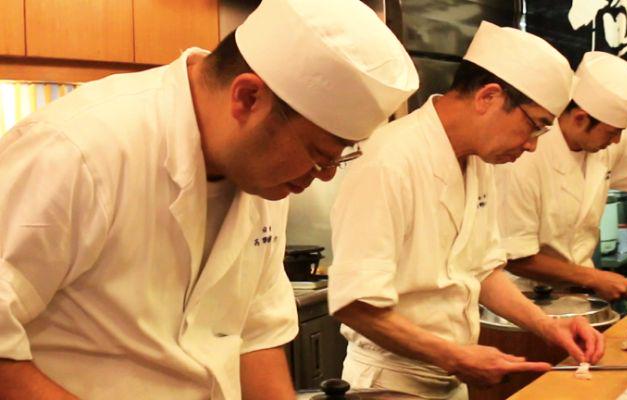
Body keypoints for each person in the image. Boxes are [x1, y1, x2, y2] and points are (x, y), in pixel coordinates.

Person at [0, 0, 419, 399]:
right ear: (248, 98)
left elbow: (256, 336)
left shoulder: (264, 180)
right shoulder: (77, 152)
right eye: (318, 154)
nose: (324, 175)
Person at [327, 21, 605, 400]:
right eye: (536, 127)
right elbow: (355, 305)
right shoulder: (390, 160)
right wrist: (457, 357)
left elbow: (482, 270)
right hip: (388, 384)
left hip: (449, 379)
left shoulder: (477, 161)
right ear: (488, 97)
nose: (532, 146)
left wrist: (549, 327)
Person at [496, 51, 627, 302]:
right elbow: (514, 257)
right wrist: (593, 278)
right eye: (612, 132)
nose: (616, 141)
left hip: (580, 299)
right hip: (519, 302)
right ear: (580, 118)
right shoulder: (524, 154)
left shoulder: (612, 140)